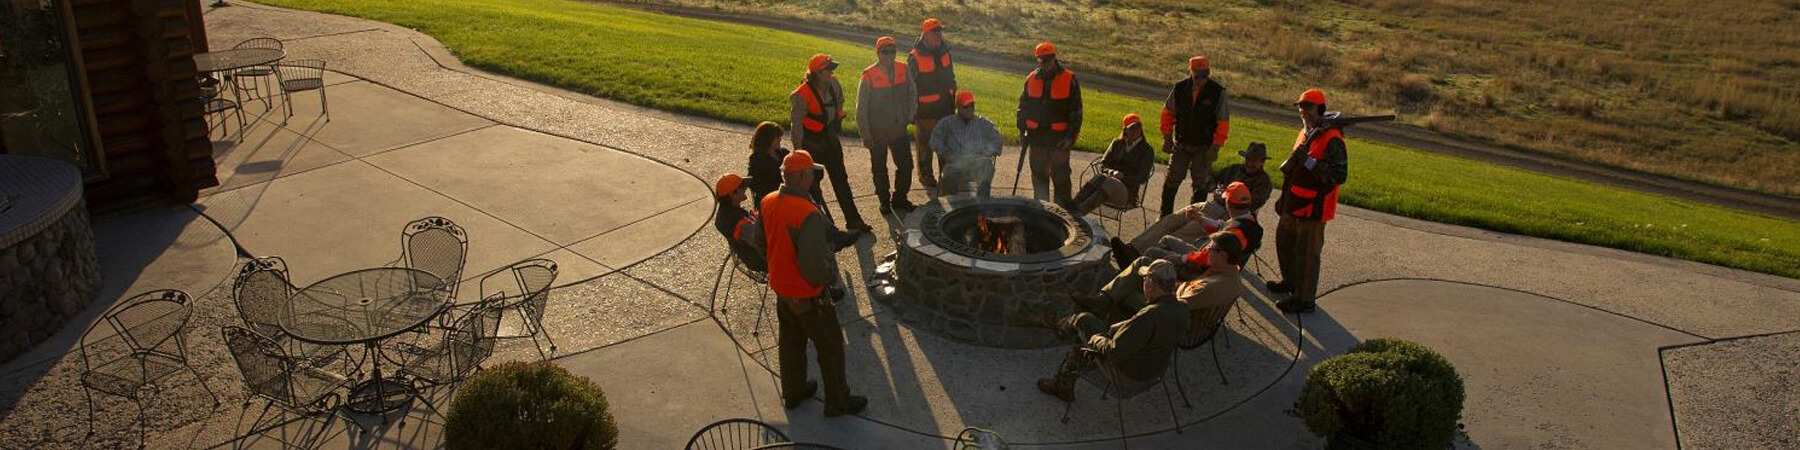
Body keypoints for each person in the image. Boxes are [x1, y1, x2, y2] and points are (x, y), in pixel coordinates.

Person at [760, 150, 868, 416]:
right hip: (808, 295)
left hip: (782, 289)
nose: (814, 176)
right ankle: (838, 401)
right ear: (800, 176)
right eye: (811, 172)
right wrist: (829, 279)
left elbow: (760, 242)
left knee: (791, 342)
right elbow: (814, 264)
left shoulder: (768, 200)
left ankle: (793, 390)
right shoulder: (807, 213)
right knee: (830, 346)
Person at [1036, 259, 1188, 402]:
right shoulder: (1182, 309)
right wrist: (1122, 327)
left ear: (1152, 283)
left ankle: (1060, 333)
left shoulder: (1148, 316)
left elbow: (1112, 352)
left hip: (1128, 376)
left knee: (1083, 321)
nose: (1142, 282)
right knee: (1091, 325)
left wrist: (1095, 338)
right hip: (1155, 371)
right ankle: (1064, 379)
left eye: (1144, 279)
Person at [1272, 89, 1349, 314]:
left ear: (1321, 109)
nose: (1302, 110)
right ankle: (1290, 283)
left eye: (1308, 106)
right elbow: (1292, 170)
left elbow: (1338, 176)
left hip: (1315, 207)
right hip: (1293, 202)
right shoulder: (1305, 132)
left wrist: (1311, 163)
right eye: (1301, 106)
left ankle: (1304, 300)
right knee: (1284, 244)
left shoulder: (1332, 138)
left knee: (1307, 256)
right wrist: (1282, 199)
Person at [1121, 143, 1271, 253]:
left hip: (1226, 215)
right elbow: (1210, 176)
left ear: (1262, 162)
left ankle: (1145, 258)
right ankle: (1132, 248)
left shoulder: (1263, 182)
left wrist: (1226, 196)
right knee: (1168, 221)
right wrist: (1214, 188)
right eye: (1249, 159)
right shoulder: (1234, 169)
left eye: (1255, 160)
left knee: (1180, 234)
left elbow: (1251, 204)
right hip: (1208, 205)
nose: (1250, 163)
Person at [791, 53, 873, 232]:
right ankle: (820, 227)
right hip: (811, 146)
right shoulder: (801, 95)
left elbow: (840, 101)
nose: (831, 72)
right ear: (817, 73)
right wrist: (799, 153)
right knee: (812, 187)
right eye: (828, 69)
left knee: (841, 181)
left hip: (831, 141)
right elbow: (796, 125)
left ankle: (854, 221)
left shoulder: (834, 84)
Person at [1158, 55, 1232, 217]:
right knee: (1173, 178)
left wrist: (1216, 146)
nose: (1201, 79)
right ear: (1190, 72)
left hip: (1204, 146)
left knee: (1200, 184)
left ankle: (1193, 219)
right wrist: (1167, 137)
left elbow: (1223, 122)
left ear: (1209, 72)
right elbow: (1168, 113)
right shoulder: (1180, 88)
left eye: (1205, 75)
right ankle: (1164, 216)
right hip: (1181, 143)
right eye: (1197, 76)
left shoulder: (1218, 92)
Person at [857, 36, 919, 216]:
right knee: (879, 167)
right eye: (885, 51)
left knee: (906, 165)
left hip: (898, 128)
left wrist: (910, 113)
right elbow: (861, 108)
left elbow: (912, 92)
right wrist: (865, 134)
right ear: (878, 53)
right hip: (878, 131)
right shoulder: (868, 74)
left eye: (892, 51)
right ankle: (884, 201)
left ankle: (900, 198)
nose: (889, 55)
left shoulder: (903, 69)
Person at [1016, 41, 1083, 204]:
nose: (1045, 63)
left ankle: (1064, 216)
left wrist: (1070, 138)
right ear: (1037, 60)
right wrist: (1022, 129)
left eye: (1048, 59)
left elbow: (1076, 112)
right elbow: (1022, 108)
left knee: (1061, 180)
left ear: (1054, 58)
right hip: (1036, 139)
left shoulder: (1069, 79)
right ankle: (1042, 214)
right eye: (1042, 60)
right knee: (1039, 179)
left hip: (1058, 140)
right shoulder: (1031, 79)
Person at [1069, 113, 1155, 216]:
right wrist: (1111, 171)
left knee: (1110, 182)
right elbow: (1103, 164)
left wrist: (1123, 177)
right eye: (1132, 128)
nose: (1136, 130)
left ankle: (1078, 214)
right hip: (1106, 187)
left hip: (1127, 194)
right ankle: (1072, 207)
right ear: (1125, 130)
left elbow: (1142, 177)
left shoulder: (1147, 150)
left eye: (1138, 126)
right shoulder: (1117, 143)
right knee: (1099, 177)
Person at [909, 18, 958, 190]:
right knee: (925, 145)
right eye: (934, 31)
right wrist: (913, 111)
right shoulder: (915, 56)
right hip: (925, 110)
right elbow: (910, 86)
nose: (938, 34)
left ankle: (946, 175)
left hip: (945, 107)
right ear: (926, 34)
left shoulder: (946, 51)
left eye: (939, 30)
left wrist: (953, 94)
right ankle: (926, 176)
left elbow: (951, 76)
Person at [931, 91, 1003, 198]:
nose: (970, 109)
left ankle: (982, 202)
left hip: (977, 161)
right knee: (948, 174)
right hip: (955, 162)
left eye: (972, 105)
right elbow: (935, 140)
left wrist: (986, 151)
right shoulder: (947, 123)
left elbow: (997, 139)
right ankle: (950, 204)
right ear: (958, 107)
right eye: (966, 106)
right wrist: (945, 153)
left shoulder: (983, 123)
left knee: (987, 167)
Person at [713, 173, 766, 272]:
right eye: (742, 187)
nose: (746, 188)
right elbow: (760, 240)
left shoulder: (730, 210)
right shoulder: (734, 220)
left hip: (755, 254)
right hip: (762, 260)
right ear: (732, 194)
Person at [747, 121, 796, 203]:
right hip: (771, 200)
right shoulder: (757, 160)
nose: (780, 139)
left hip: (789, 195)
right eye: (777, 137)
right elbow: (755, 184)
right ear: (768, 139)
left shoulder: (784, 153)